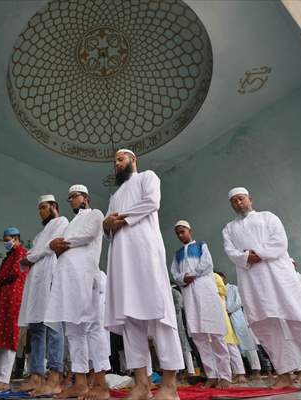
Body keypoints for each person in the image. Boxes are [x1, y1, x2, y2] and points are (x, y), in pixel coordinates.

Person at [222, 187, 301, 392]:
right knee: (266, 329)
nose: (238, 203)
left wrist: (256, 254)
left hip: (279, 278)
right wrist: (245, 257)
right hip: (252, 282)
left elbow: (279, 243)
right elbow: (230, 251)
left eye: (241, 199)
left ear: (250, 199)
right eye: (234, 201)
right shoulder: (229, 228)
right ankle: (284, 374)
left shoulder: (268, 217)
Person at [103, 149, 183, 400]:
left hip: (145, 253)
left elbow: (151, 202)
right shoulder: (114, 195)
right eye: (115, 161)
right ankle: (142, 383)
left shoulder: (148, 177)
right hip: (120, 260)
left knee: (159, 313)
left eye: (120, 159)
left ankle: (169, 385)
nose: (117, 164)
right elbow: (107, 224)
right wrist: (107, 224)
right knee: (130, 319)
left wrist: (120, 220)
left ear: (133, 160)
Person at [44, 184, 109, 400]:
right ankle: (80, 383)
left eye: (75, 196)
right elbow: (56, 248)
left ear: (86, 198)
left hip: (86, 277)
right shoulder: (70, 224)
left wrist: (59, 243)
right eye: (69, 197)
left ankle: (100, 383)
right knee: (73, 331)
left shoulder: (95, 214)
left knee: (92, 328)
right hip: (67, 281)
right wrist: (55, 246)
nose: (71, 200)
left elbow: (89, 235)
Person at [169, 220, 231, 388]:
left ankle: (225, 376)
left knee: (216, 334)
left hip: (206, 293)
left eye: (183, 231)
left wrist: (191, 275)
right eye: (178, 233)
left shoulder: (201, 246)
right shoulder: (177, 254)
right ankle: (212, 375)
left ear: (190, 230)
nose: (181, 235)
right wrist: (183, 278)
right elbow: (174, 273)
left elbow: (207, 264)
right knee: (198, 337)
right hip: (190, 296)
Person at [18, 195, 69, 394]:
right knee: (36, 328)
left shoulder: (62, 222)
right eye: (39, 208)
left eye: (43, 207)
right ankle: (36, 375)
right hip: (36, 283)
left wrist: (33, 255)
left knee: (54, 326)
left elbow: (42, 252)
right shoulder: (40, 235)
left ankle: (55, 375)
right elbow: (30, 256)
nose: (40, 211)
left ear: (54, 206)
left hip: (51, 277)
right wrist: (39, 251)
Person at [0, 227, 28, 392]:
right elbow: (1, 276)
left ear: (16, 238)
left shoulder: (22, 252)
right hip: (3, 298)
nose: (5, 243)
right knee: (0, 337)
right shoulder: (8, 257)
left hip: (13, 299)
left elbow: (16, 272)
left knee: (9, 337)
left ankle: (4, 378)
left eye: (7, 239)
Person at [217, 271, 262, 380]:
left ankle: (256, 371)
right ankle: (238, 372)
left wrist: (229, 310)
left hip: (236, 318)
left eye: (221, 278)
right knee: (233, 347)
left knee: (248, 346)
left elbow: (238, 302)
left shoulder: (233, 288)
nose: (220, 281)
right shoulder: (217, 291)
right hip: (225, 320)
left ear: (224, 278)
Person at [214, 272, 247, 384]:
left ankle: (241, 374)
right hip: (215, 322)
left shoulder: (222, 290)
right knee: (221, 351)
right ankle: (231, 374)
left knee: (232, 348)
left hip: (224, 321)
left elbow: (223, 291)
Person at [170, 285, 195, 379]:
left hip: (178, 324)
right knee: (173, 349)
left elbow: (179, 305)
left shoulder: (175, 293)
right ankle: (175, 372)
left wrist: (170, 314)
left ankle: (191, 371)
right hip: (170, 325)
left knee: (185, 348)